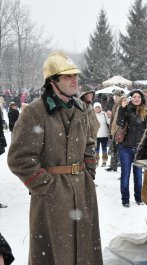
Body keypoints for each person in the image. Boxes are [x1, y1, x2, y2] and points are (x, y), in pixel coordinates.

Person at [7, 51, 103, 265]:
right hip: (51, 196)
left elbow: (89, 144)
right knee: (54, 253)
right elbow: (19, 159)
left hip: (83, 191)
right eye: (68, 76)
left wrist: (88, 173)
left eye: (75, 75)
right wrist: (48, 188)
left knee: (86, 249)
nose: (75, 79)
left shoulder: (80, 108)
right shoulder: (35, 112)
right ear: (52, 81)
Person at [117, 90, 147, 207]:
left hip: (138, 148)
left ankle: (139, 198)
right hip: (125, 147)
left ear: (142, 99)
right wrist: (122, 108)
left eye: (138, 97)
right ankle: (125, 199)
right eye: (134, 97)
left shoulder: (145, 111)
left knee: (138, 175)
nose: (136, 99)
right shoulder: (126, 109)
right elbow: (120, 123)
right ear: (130, 98)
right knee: (125, 174)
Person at [105, 89, 125, 172]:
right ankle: (113, 165)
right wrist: (110, 131)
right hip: (114, 129)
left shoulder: (123, 105)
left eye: (115, 96)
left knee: (121, 150)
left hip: (120, 130)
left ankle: (122, 166)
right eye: (114, 96)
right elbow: (112, 119)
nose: (114, 98)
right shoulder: (114, 105)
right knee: (113, 148)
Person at [94, 102, 110, 167]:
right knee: (96, 149)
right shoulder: (92, 115)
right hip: (96, 135)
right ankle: (96, 161)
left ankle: (104, 161)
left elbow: (108, 122)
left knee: (104, 148)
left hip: (104, 134)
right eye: (96, 107)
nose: (97, 109)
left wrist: (109, 116)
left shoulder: (104, 114)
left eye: (98, 107)